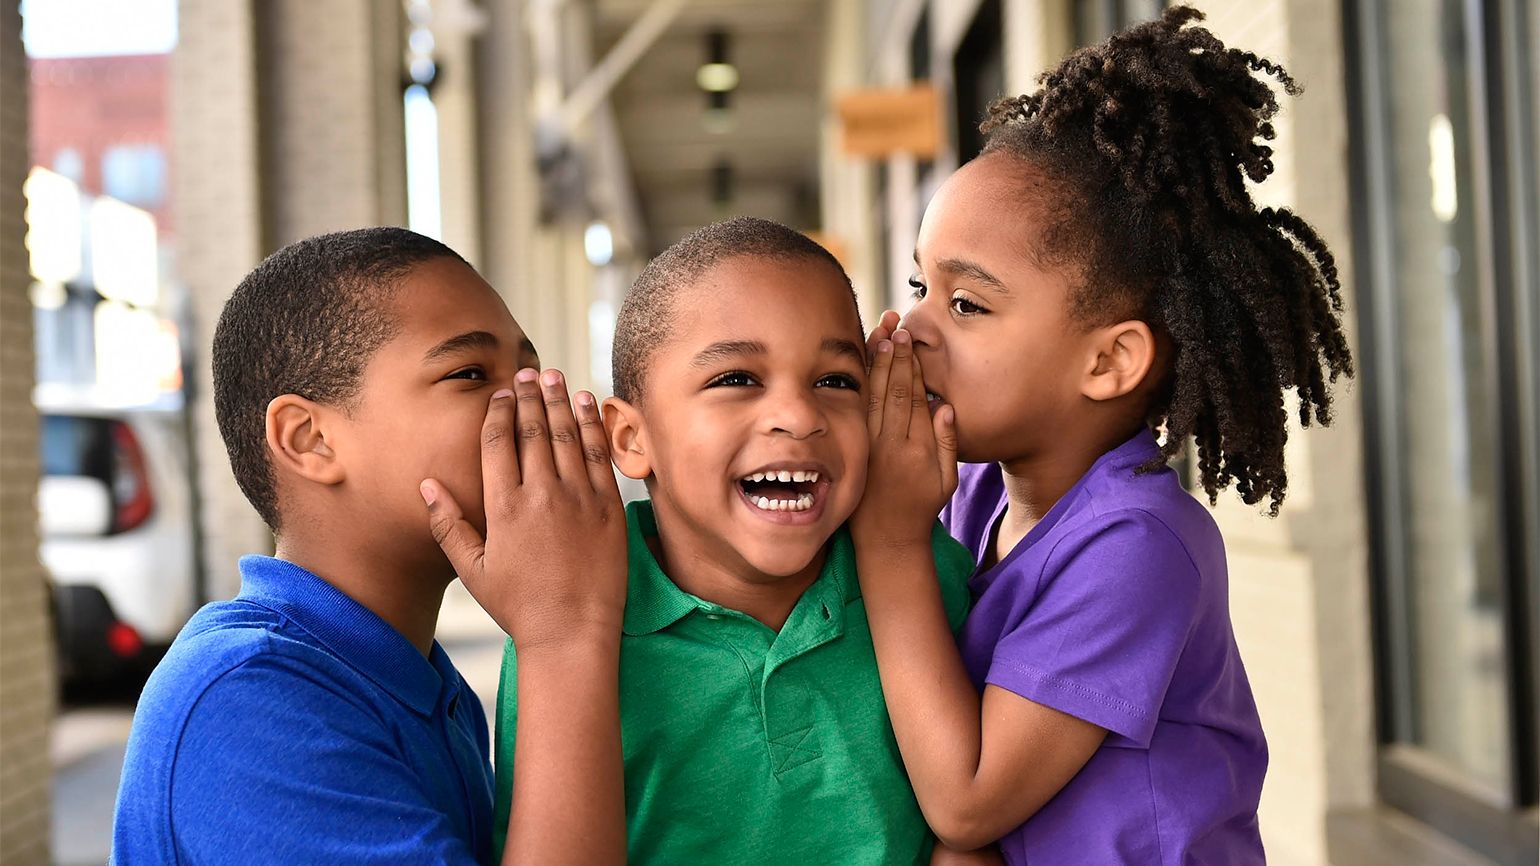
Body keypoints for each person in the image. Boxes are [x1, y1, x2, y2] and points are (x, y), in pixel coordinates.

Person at [850, 7, 1354, 865]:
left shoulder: (1140, 544)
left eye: (966, 304)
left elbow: (968, 799)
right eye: (918, 287)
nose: (912, 328)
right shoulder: (969, 496)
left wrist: (892, 542)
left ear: (1110, 360)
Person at [111, 227, 628, 866]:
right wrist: (563, 636)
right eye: (470, 373)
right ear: (309, 440)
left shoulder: (428, 685)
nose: (531, 402)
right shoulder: (250, 701)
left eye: (529, 368)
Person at [490, 217, 992, 864]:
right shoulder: (571, 623)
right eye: (737, 380)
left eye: (836, 382)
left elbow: (985, 818)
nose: (799, 416)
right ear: (630, 438)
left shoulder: (920, 574)